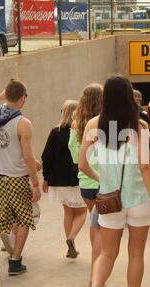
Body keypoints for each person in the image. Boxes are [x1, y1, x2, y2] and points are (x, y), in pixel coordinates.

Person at [79, 75, 150, 287]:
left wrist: (102, 180)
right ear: (129, 96)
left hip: (109, 200)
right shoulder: (140, 126)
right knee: (136, 254)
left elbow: (82, 164)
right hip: (138, 200)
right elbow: (146, 168)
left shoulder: (93, 124)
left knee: (107, 254)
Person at [0, 79, 41, 276]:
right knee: (24, 219)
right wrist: (35, 183)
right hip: (17, 178)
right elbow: (27, 156)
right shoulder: (23, 123)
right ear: (23, 99)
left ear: (6, 95)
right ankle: (15, 261)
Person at [42, 100, 87, 258]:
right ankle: (71, 238)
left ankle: (71, 246)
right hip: (78, 178)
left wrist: (46, 178)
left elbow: (46, 156)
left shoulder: (56, 132)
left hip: (59, 180)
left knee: (68, 212)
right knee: (82, 211)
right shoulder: (82, 131)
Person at [68, 83, 103, 287]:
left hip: (86, 182)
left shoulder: (76, 125)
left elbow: (75, 156)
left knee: (95, 224)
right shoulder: (105, 123)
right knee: (103, 229)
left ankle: (97, 268)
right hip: (104, 181)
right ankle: (96, 272)